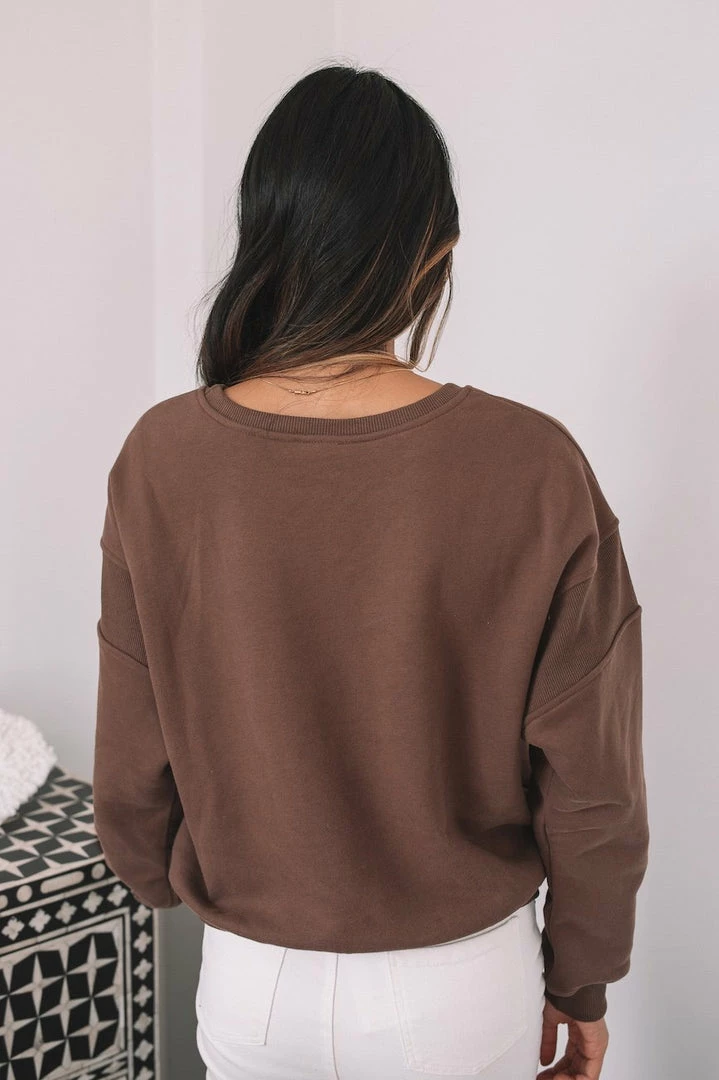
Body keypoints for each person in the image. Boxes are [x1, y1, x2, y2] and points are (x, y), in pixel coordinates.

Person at [93, 63, 649, 1080]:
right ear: (433, 251)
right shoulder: (531, 464)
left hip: (251, 983)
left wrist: (163, 876)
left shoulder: (161, 457)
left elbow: (133, 760)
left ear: (266, 235)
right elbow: (592, 790)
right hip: (456, 989)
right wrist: (581, 983)